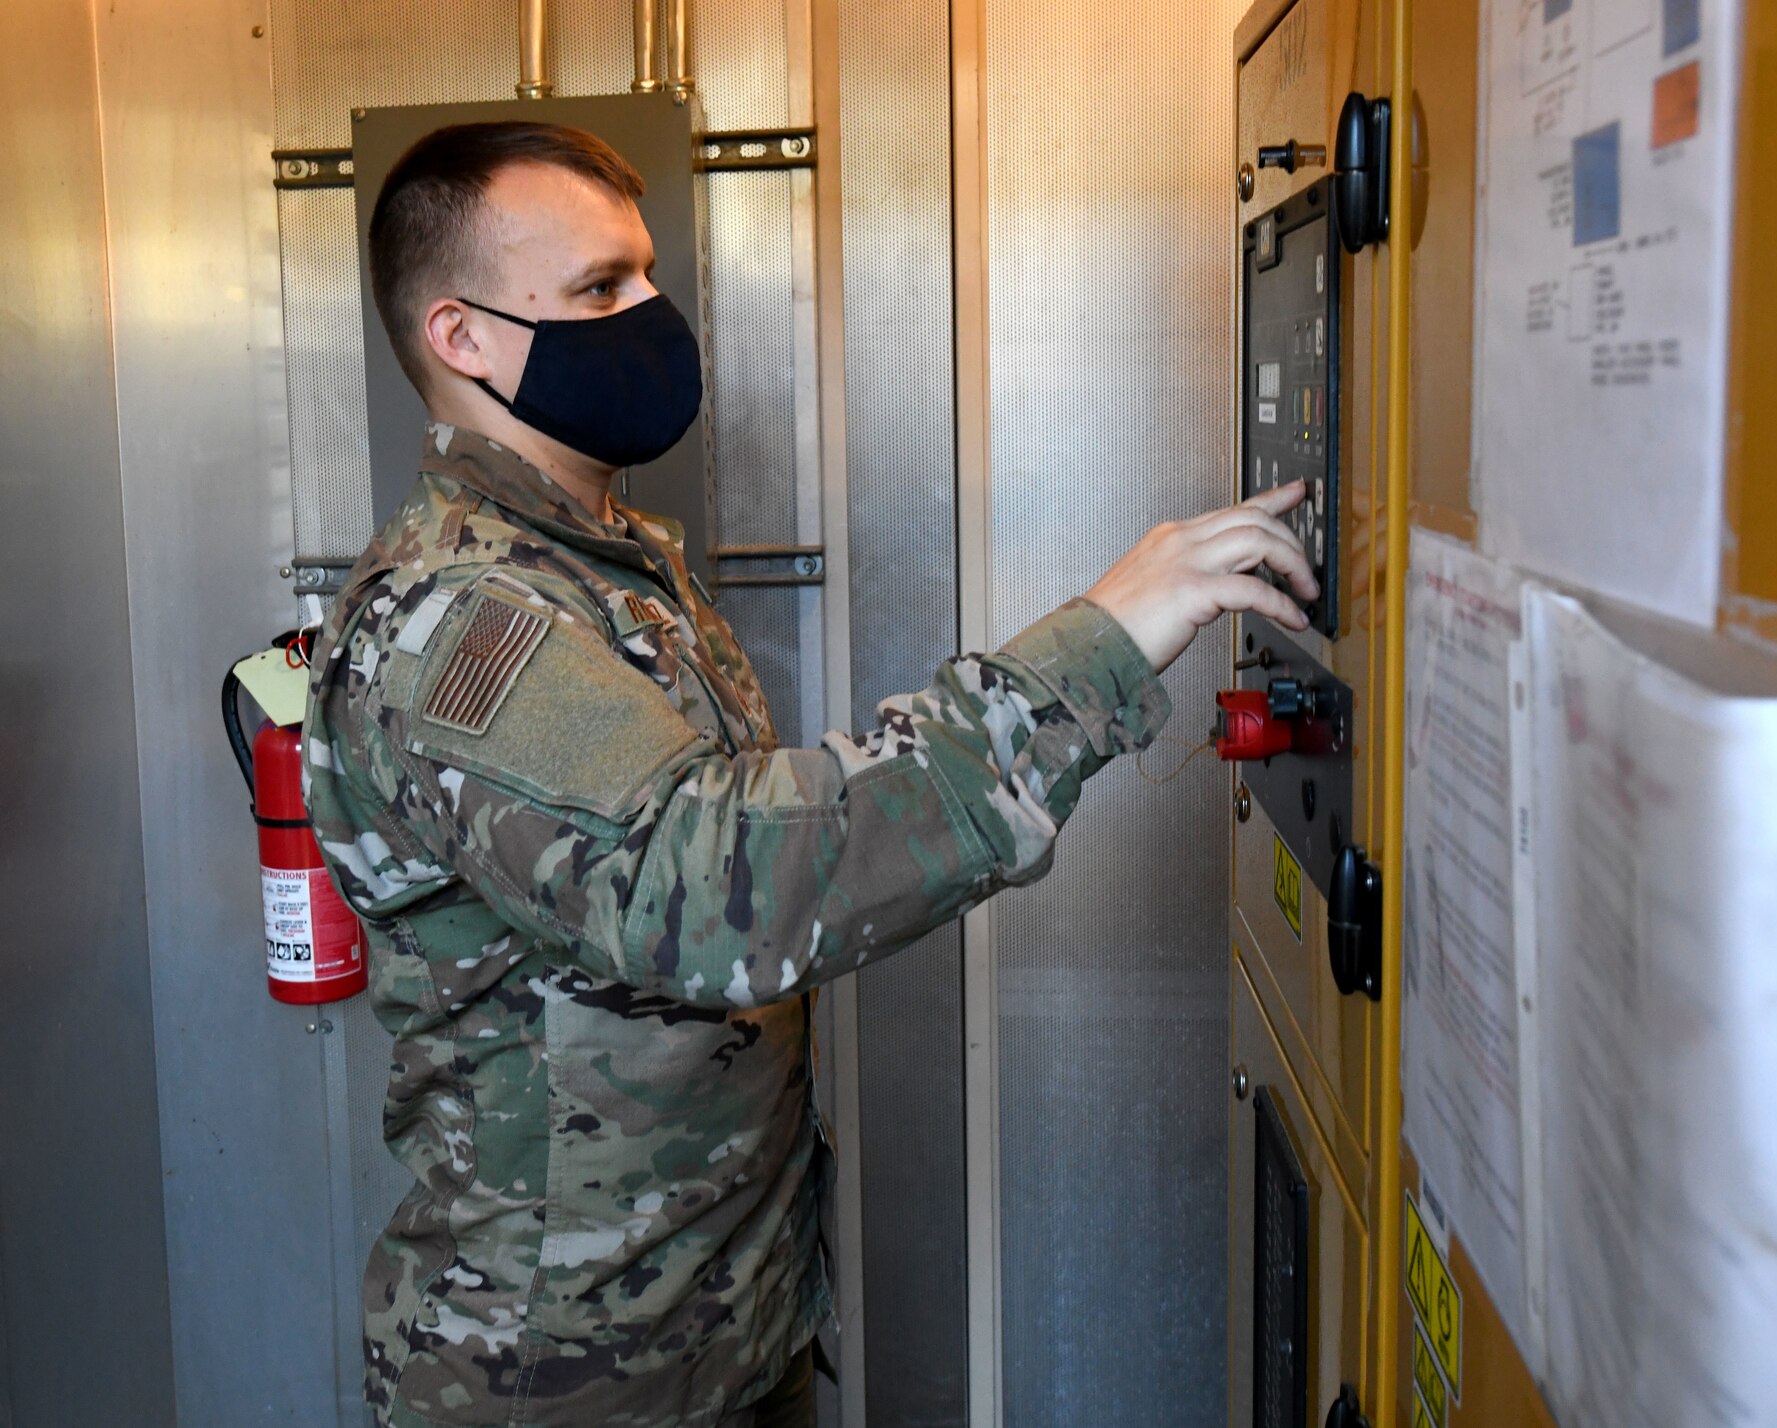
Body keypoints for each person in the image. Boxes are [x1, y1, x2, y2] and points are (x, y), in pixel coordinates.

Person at [304, 119, 1315, 1428]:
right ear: (463, 337)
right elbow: (721, 885)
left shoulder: (606, 566)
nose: (654, 316)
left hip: (721, 1326)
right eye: (600, 289)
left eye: (649, 276)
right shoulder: (462, 621)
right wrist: (1098, 648)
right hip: (562, 1380)